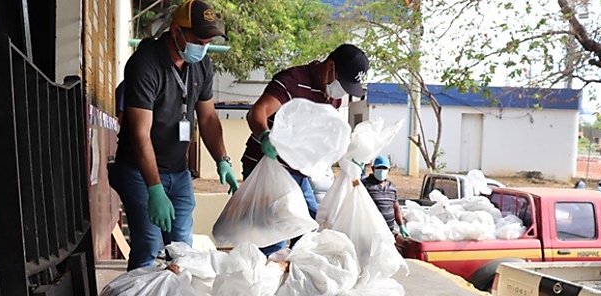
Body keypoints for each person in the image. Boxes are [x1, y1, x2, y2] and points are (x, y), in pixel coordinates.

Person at [108, 0, 238, 271]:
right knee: (148, 246)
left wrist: (222, 159)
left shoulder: (202, 66)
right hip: (138, 172)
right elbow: (139, 132)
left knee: (182, 252)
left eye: (208, 41)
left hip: (179, 174)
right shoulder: (145, 64)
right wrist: (154, 188)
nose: (203, 46)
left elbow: (209, 118)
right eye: (198, 39)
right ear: (176, 31)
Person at [242, 43, 370, 255]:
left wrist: (348, 155)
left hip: (298, 172)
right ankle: (264, 281)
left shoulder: (334, 97)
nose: (342, 93)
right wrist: (265, 136)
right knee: (276, 235)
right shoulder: (292, 81)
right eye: (343, 84)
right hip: (267, 169)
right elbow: (257, 112)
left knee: (312, 225)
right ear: (330, 67)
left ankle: (295, 276)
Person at [362, 156, 409, 239]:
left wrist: (401, 225)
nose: (382, 170)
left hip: (388, 233)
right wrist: (354, 175)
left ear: (388, 170)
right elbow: (353, 188)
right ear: (373, 169)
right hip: (371, 233)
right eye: (379, 168)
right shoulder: (365, 184)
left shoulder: (392, 187)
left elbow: (396, 207)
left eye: (384, 168)